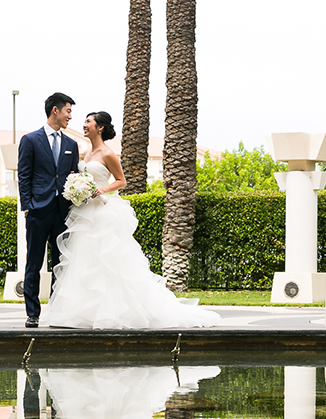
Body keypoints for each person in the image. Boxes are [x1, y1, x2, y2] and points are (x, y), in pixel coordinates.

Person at [40, 111, 221, 329]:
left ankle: (113, 313)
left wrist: (102, 189)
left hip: (103, 212)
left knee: (107, 260)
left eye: (88, 122)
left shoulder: (107, 153)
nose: (84, 125)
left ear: (100, 128)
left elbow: (121, 181)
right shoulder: (86, 152)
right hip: (85, 212)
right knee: (84, 260)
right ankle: (84, 313)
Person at [18, 92, 80, 329]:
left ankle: (56, 311)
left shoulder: (71, 145)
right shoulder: (30, 140)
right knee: (33, 263)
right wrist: (27, 206)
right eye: (68, 111)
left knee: (60, 264)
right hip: (37, 210)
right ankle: (32, 313)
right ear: (55, 110)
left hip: (62, 212)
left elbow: (73, 176)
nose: (70, 116)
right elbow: (24, 175)